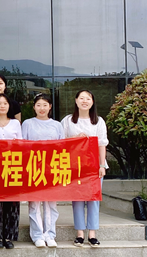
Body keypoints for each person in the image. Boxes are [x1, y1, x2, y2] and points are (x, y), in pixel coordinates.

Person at [61, 90, 108, 247]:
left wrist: (102, 165)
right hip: (75, 166)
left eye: (88, 98)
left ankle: (92, 233)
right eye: (81, 98)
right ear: (76, 101)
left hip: (94, 166)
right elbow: (60, 141)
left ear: (92, 102)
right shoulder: (68, 121)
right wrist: (74, 138)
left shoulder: (99, 121)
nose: (84, 101)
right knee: (78, 199)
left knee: (93, 199)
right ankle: (80, 233)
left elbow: (102, 144)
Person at [22, 94, 64, 248]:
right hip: (33, 167)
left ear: (50, 107)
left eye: (45, 105)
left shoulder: (57, 125)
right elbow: (22, 146)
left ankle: (50, 234)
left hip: (52, 168)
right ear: (34, 107)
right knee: (35, 203)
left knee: (51, 203)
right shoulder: (28, 123)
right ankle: (37, 235)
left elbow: (62, 147)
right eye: (38, 105)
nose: (42, 108)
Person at [0, 94, 23, 249]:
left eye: (5, 103)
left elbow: (21, 144)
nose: (2, 106)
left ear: (9, 106)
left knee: (12, 202)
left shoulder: (15, 124)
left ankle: (9, 236)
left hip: (12, 166)